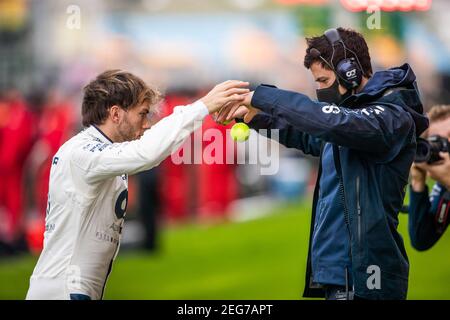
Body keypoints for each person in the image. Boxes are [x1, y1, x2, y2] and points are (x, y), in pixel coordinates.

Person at [218, 27, 429, 300]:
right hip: (340, 277)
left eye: (323, 80)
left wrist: (263, 97)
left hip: (367, 279)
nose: (319, 90)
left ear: (349, 72)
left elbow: (331, 121)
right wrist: (256, 117)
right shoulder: (350, 122)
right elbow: (309, 135)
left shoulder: (389, 117)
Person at [26, 70, 249, 300]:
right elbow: (146, 153)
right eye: (142, 114)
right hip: (62, 291)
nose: (146, 125)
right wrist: (202, 106)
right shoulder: (82, 152)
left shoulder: (100, 151)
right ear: (115, 114)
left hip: (74, 290)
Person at [409, 105, 450, 251]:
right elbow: (422, 239)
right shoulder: (444, 186)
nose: (447, 144)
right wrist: (418, 182)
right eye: (438, 141)